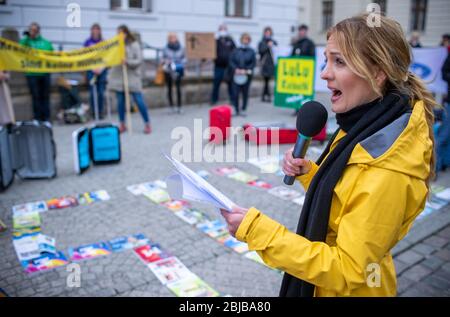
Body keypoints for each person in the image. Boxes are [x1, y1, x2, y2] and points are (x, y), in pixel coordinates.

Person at [220, 14, 437, 297]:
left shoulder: (388, 169)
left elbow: (348, 270)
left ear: (378, 73)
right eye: (326, 59)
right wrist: (311, 173)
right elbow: (346, 201)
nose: (324, 73)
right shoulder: (364, 124)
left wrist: (258, 231)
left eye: (339, 61)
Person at [108, 25, 151, 134]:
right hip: (119, 77)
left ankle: (147, 123)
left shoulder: (134, 44)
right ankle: (122, 124)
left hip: (132, 76)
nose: (119, 36)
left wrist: (127, 61)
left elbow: (139, 60)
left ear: (126, 33)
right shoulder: (116, 46)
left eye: (121, 33)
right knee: (120, 102)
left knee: (138, 100)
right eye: (118, 33)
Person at [20, 22, 53, 121]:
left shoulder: (45, 42)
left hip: (44, 73)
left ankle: (46, 118)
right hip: (32, 74)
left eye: (34, 30)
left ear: (38, 31)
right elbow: (18, 49)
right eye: (31, 30)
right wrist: (27, 37)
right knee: (35, 97)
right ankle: (37, 118)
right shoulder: (26, 42)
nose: (32, 32)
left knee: (45, 96)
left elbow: (52, 54)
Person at [84, 23, 108, 120]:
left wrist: (101, 68)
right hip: (91, 70)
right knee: (92, 92)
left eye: (97, 29)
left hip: (102, 70)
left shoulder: (104, 42)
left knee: (101, 92)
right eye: (94, 29)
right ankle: (93, 112)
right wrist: (92, 68)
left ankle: (101, 111)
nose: (95, 31)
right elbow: (85, 57)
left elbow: (107, 57)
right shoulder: (87, 42)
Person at [229, 33, 256, 117]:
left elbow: (253, 63)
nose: (245, 41)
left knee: (245, 93)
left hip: (246, 75)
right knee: (235, 93)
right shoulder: (236, 50)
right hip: (236, 75)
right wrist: (235, 69)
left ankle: (243, 109)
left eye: (247, 39)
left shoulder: (252, 51)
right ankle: (236, 109)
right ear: (241, 40)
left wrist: (246, 70)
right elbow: (231, 61)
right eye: (244, 39)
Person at [291, 24, 316, 115]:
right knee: (296, 90)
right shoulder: (296, 43)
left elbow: (313, 56)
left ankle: (304, 110)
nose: (301, 32)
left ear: (306, 32)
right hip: (296, 72)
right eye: (300, 30)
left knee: (305, 92)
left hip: (305, 72)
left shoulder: (310, 43)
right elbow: (292, 55)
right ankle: (296, 108)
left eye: (303, 30)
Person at [211, 24, 236, 105]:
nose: (223, 31)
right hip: (218, 66)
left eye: (224, 29)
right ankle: (214, 100)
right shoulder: (216, 41)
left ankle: (232, 100)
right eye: (221, 29)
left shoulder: (230, 40)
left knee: (230, 84)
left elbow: (235, 51)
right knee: (216, 84)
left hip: (228, 67)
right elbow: (210, 51)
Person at [162, 33, 186, 114]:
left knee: (178, 88)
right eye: (171, 38)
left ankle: (179, 106)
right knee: (169, 89)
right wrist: (166, 61)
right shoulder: (165, 48)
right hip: (169, 70)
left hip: (178, 69)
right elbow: (162, 58)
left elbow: (185, 58)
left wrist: (180, 63)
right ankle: (171, 106)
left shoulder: (181, 48)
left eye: (174, 37)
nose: (172, 39)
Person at [258, 26, 277, 103]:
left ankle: (265, 95)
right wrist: (267, 46)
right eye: (266, 32)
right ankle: (267, 95)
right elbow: (260, 51)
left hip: (271, 64)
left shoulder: (273, 41)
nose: (268, 34)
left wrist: (273, 44)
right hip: (264, 64)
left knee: (267, 80)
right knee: (266, 80)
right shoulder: (262, 42)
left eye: (269, 33)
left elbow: (277, 49)